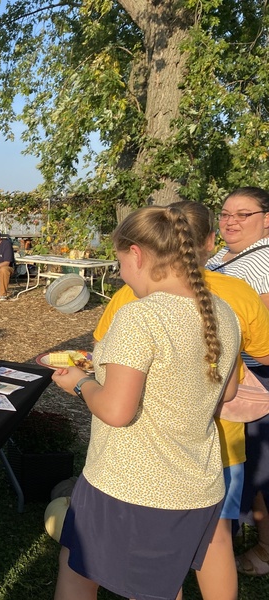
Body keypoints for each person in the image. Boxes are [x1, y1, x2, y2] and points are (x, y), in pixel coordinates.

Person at [53, 205, 241, 600]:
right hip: (197, 483)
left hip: (130, 485)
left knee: (80, 571)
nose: (120, 273)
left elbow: (117, 411)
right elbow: (228, 392)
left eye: (120, 262)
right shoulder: (222, 313)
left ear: (136, 254)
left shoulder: (139, 317)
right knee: (162, 583)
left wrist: (81, 383)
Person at [94, 200, 269, 599]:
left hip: (146, 466)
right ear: (209, 241)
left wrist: (82, 384)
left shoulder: (133, 304)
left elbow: (108, 370)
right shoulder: (231, 299)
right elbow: (249, 368)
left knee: (152, 566)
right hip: (215, 448)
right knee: (216, 540)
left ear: (137, 254)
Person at [205, 186, 269, 576]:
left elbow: (263, 333)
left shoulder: (262, 261)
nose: (230, 221)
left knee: (260, 470)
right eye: (226, 214)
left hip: (252, 377)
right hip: (227, 372)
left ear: (266, 218)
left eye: (242, 215)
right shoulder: (226, 256)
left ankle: (263, 551)